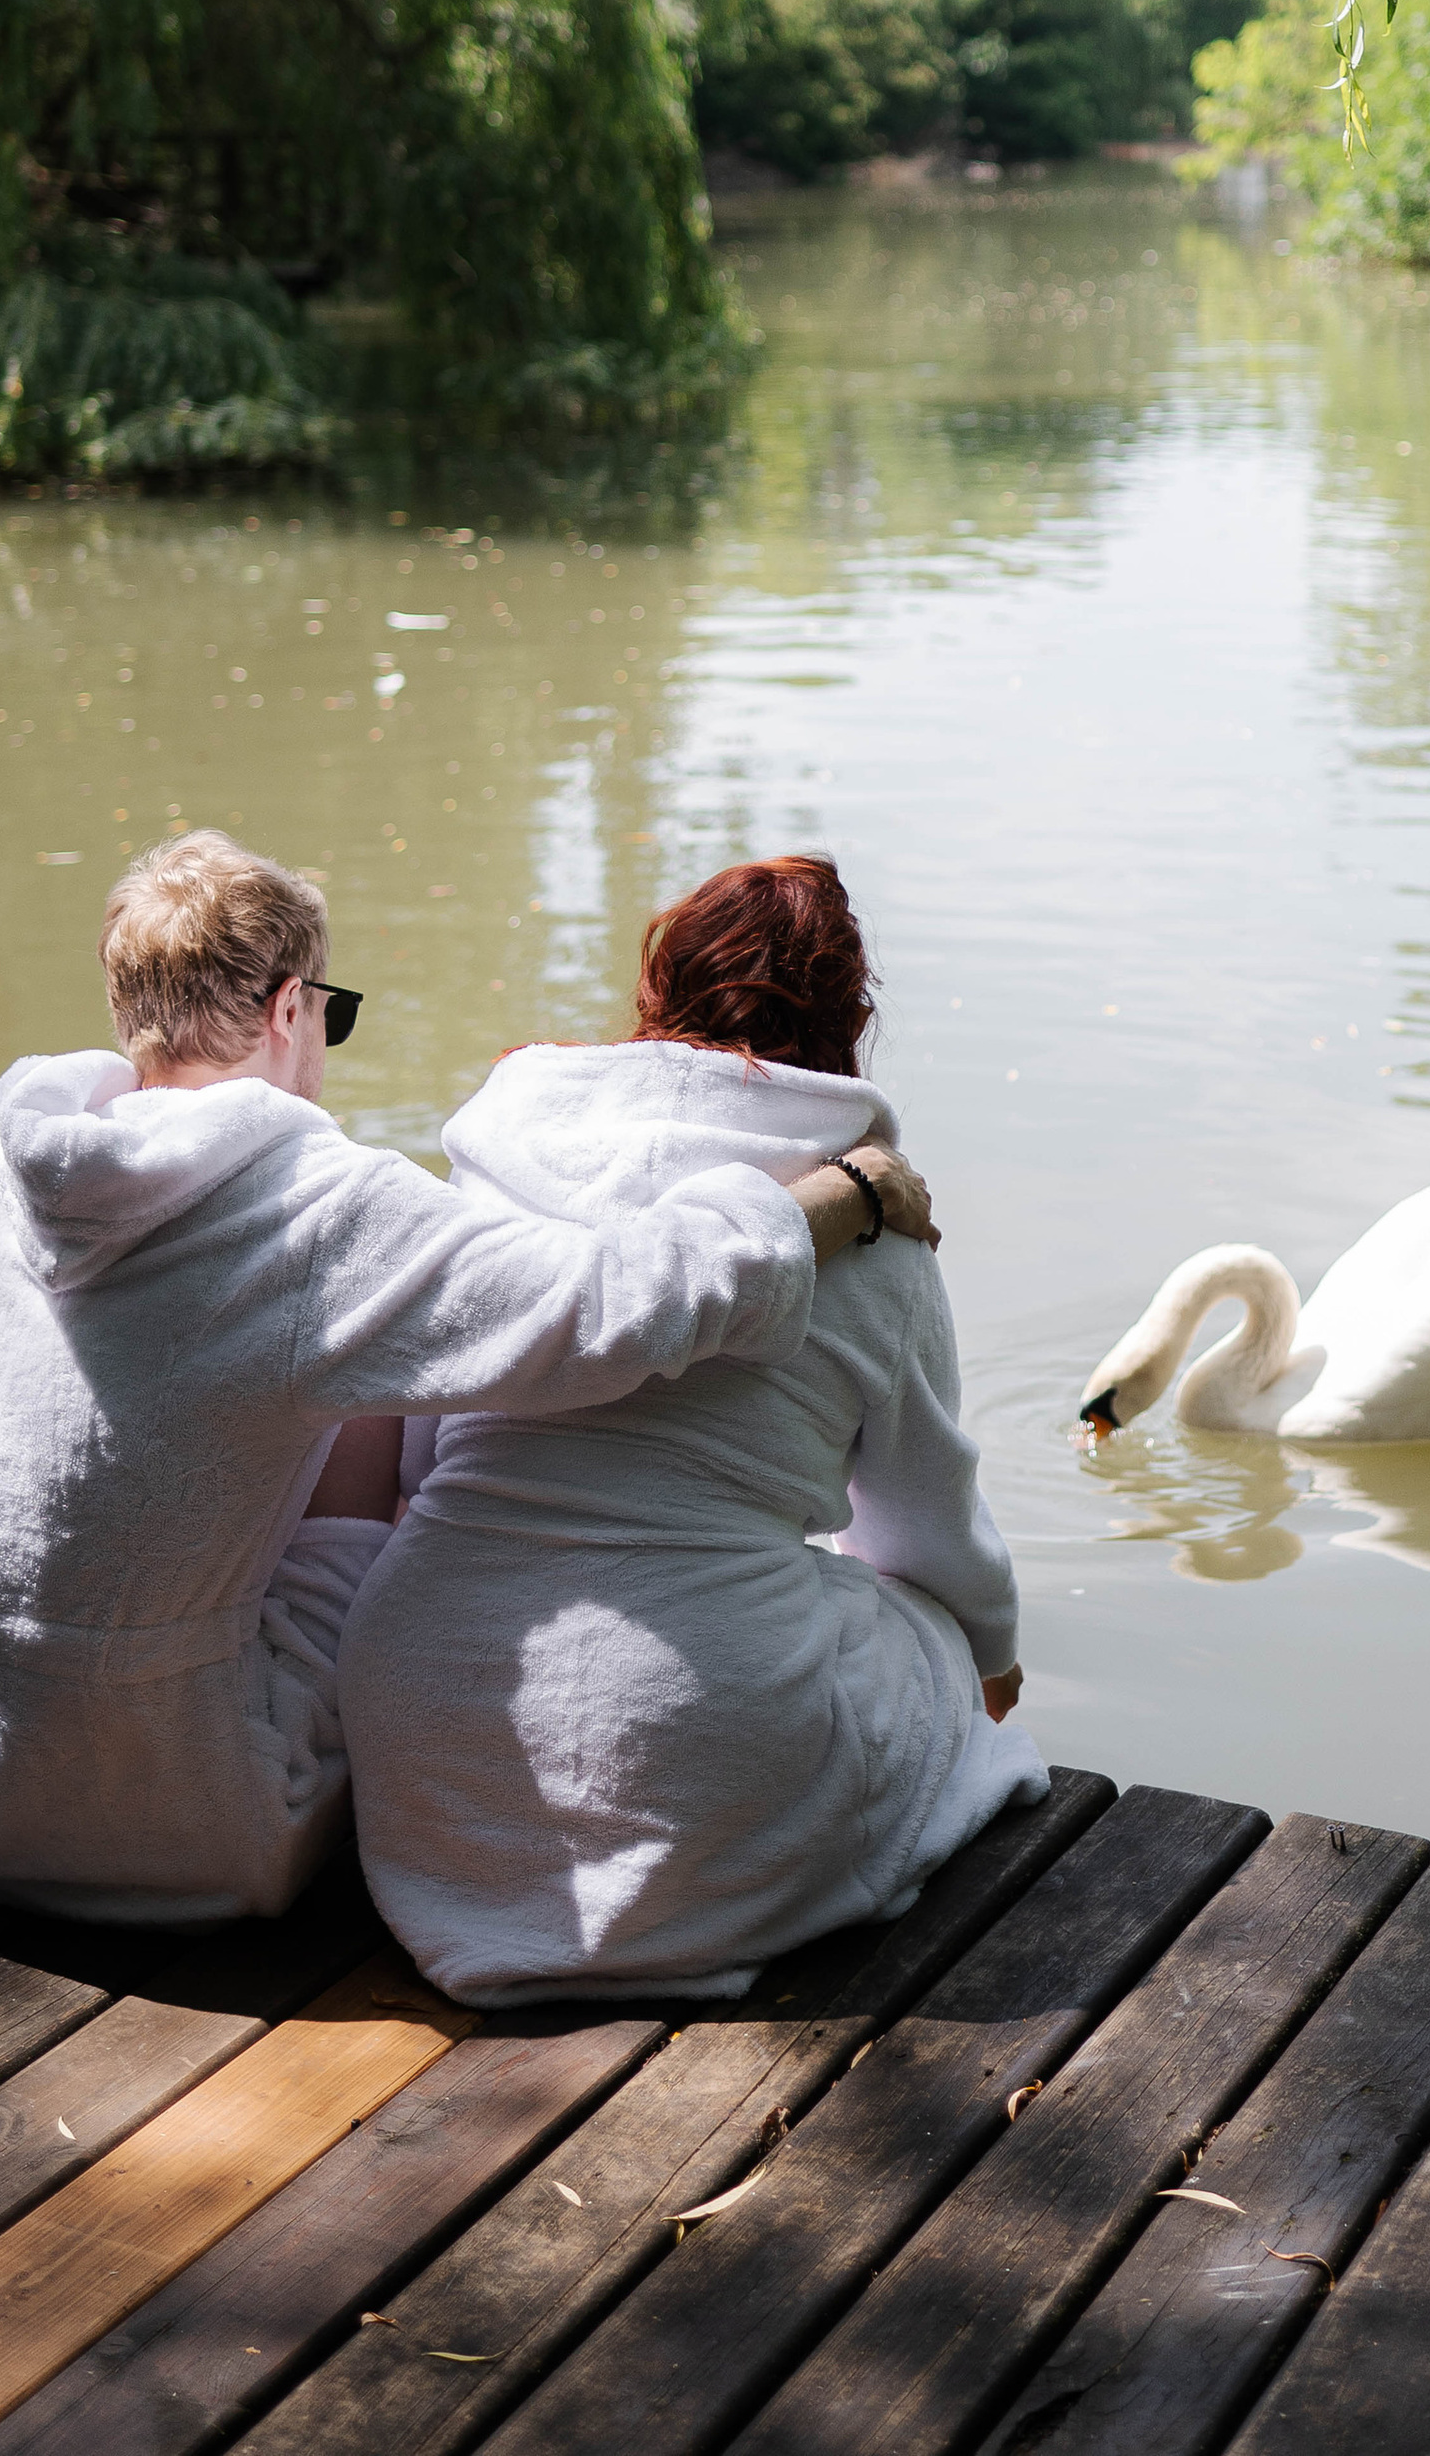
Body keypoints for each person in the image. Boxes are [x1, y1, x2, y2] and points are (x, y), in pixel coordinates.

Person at [0, 827, 925, 1928]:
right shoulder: (311, 1207)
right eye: (332, 1013)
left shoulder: (11, 1140)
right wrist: (849, 1188)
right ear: (286, 1009)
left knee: (335, 1368)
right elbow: (610, 1304)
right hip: (172, 1818)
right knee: (398, 1393)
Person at [339, 854, 1045, 2004]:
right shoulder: (873, 1232)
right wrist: (990, 1651)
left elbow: (422, 1460)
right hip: (704, 1725)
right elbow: (924, 1524)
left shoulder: (497, 1182)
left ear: (655, 991)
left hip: (432, 1716)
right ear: (849, 1019)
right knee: (920, 1616)